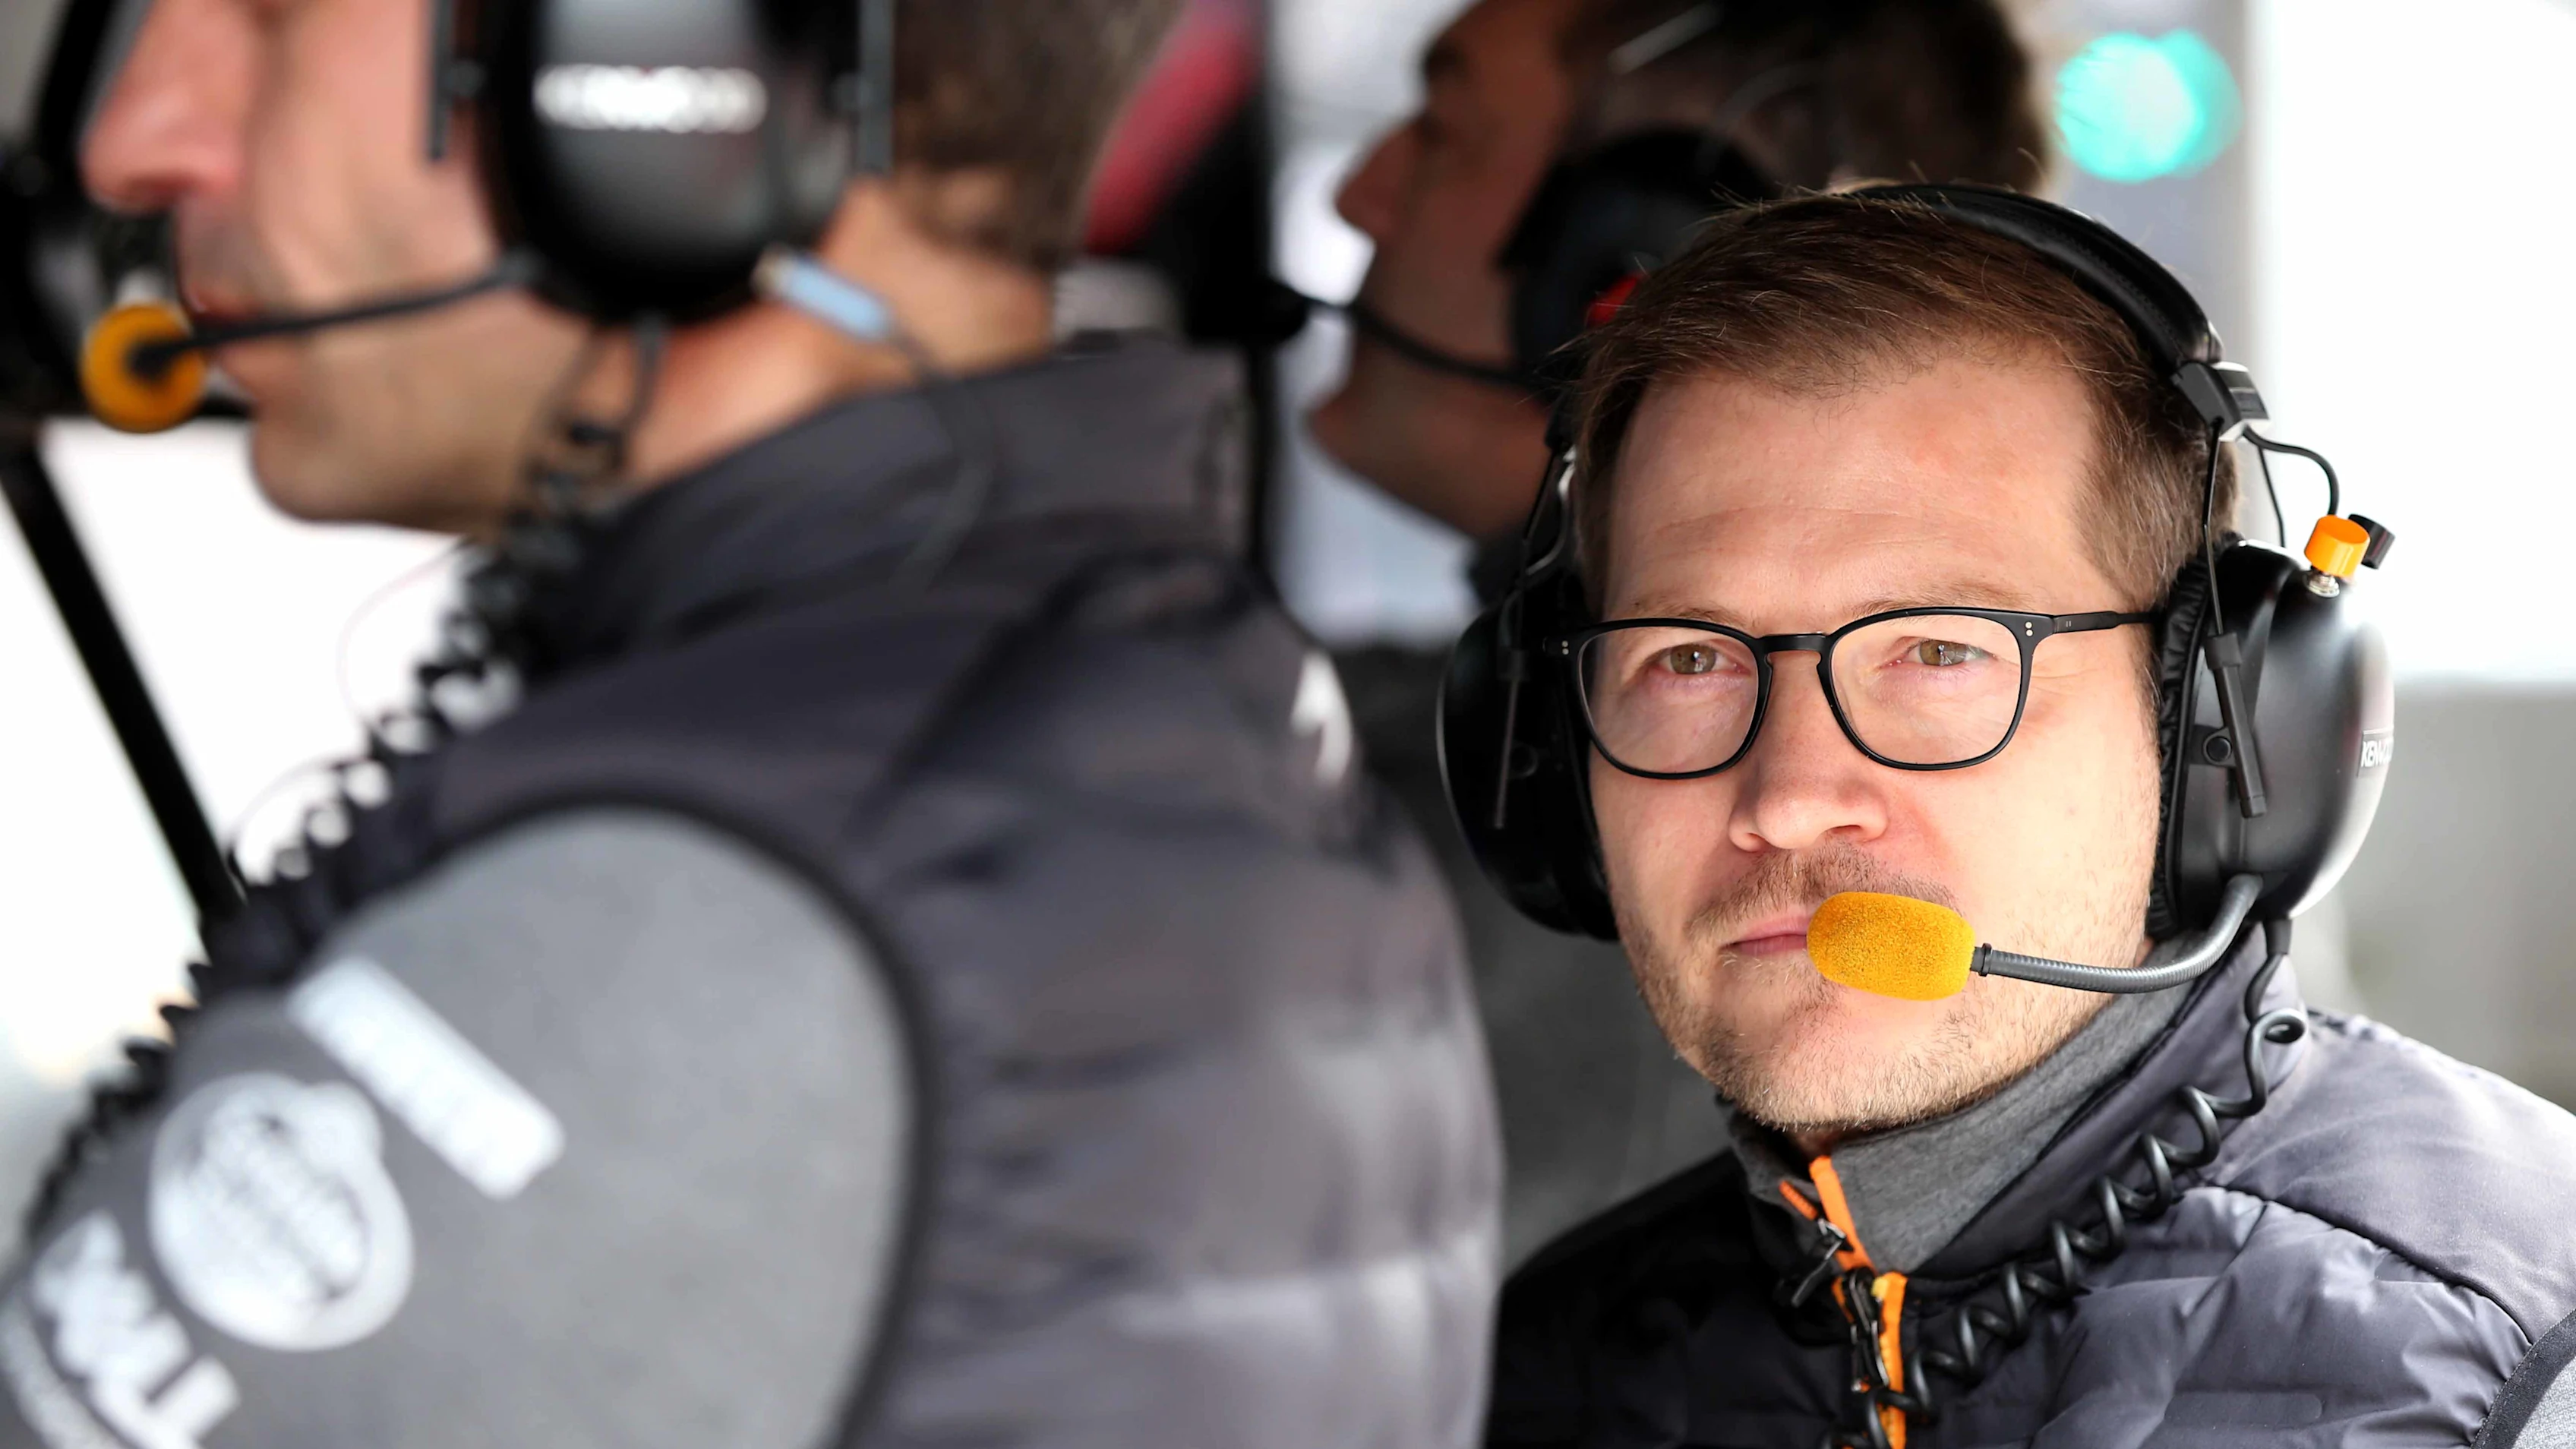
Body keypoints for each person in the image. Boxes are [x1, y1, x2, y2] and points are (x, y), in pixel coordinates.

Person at [0, 1, 1501, 1444]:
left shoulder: (710, 913)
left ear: (668, 53)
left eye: (268, 14)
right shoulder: (1170, 724)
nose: (140, 143)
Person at [1479, 191, 2576, 1446]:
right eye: (1687, 660)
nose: (1785, 800)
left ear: (2213, 732)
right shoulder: (1558, 1369)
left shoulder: (2509, 1376)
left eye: (1941, 651)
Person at [1314, 0, 2050, 1264]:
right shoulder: (1480, 716)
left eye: (1441, 127)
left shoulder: (1637, 894)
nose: (1359, 194)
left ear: (1630, 260)